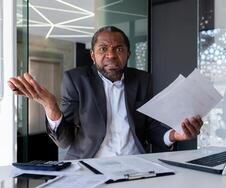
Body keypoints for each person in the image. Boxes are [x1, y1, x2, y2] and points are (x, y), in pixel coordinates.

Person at [8, 26, 203, 160]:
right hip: (90, 164)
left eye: (118, 49)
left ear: (128, 54)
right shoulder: (76, 80)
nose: (110, 55)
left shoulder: (143, 80)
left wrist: (175, 135)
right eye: (103, 49)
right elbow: (65, 141)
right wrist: (50, 106)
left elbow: (150, 128)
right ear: (93, 55)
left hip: (136, 164)